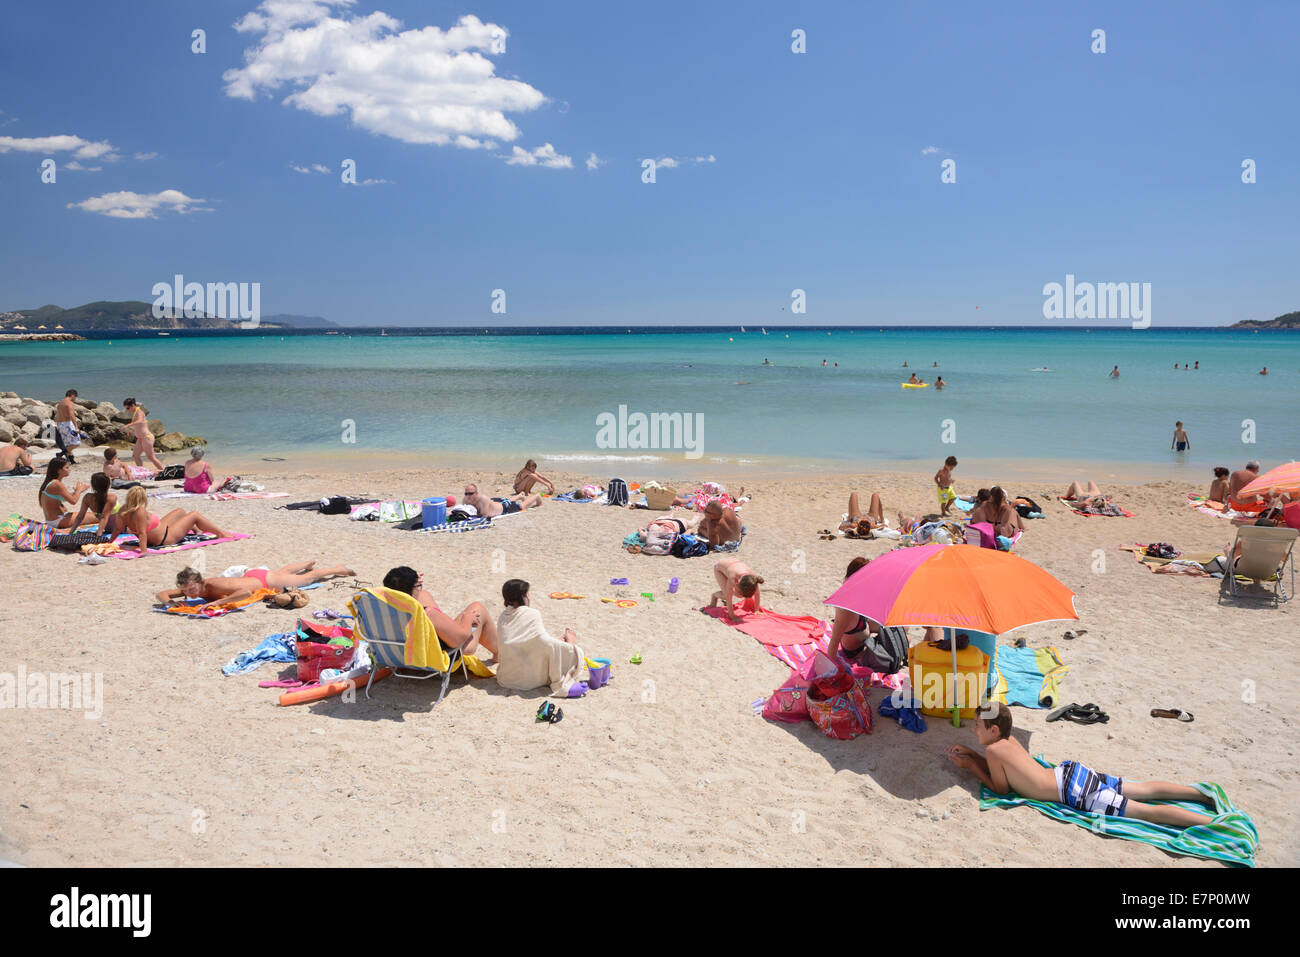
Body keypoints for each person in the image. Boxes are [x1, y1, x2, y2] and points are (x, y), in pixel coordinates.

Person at [946, 703, 1215, 827]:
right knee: (1142, 790)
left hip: (1074, 791)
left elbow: (1000, 788)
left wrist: (971, 766)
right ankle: (1200, 795)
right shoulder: (1008, 741)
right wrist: (971, 753)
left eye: (978, 726)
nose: (973, 729)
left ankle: (1211, 824)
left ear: (993, 731)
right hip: (1072, 773)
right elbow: (1004, 768)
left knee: (1146, 812)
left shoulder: (993, 751)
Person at [495, 579, 589, 695]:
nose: (530, 596)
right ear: (523, 596)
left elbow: (523, 642)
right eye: (528, 593)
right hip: (528, 681)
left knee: (553, 644)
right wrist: (569, 644)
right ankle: (570, 644)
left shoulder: (503, 616)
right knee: (574, 651)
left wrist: (557, 642)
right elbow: (542, 642)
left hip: (506, 678)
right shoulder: (532, 614)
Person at [381, 566, 499, 659]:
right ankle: (499, 653)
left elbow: (405, 590)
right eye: (418, 586)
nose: (419, 588)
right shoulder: (428, 614)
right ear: (412, 588)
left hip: (401, 655)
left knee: (423, 594)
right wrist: (468, 618)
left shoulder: (381, 608)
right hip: (443, 655)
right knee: (477, 607)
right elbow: (458, 640)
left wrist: (410, 581)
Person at [156, 561, 357, 613]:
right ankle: (304, 564)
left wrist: (219, 602)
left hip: (262, 582)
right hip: (251, 576)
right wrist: (172, 604)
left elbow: (245, 593)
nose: (189, 594)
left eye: (191, 590)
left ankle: (338, 569)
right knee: (283, 573)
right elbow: (162, 594)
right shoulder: (191, 588)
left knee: (307, 580)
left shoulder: (215, 584)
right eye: (185, 591)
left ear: (199, 582)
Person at [114, 486, 234, 554]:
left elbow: (118, 529)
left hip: (160, 531)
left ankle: (197, 531)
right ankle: (220, 533)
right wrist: (144, 552)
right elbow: (142, 533)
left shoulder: (123, 509)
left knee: (180, 511)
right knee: (194, 515)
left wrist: (109, 541)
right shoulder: (139, 511)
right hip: (165, 538)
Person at [826, 557, 888, 661]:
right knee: (901, 640)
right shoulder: (845, 606)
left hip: (862, 632)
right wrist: (830, 668)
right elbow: (835, 639)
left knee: (899, 628)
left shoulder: (857, 591)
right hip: (857, 651)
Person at [38, 456, 88, 528]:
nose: (69, 470)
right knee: (97, 517)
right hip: (58, 520)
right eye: (67, 468)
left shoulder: (51, 482)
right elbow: (73, 501)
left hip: (56, 519)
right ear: (59, 470)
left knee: (92, 515)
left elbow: (67, 497)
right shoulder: (56, 484)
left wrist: (76, 492)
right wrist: (78, 490)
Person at [123, 398, 164, 472]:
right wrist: (132, 431)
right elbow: (138, 425)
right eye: (126, 409)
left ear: (133, 405)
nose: (128, 410)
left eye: (128, 408)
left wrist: (128, 425)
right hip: (140, 438)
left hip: (146, 437)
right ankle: (142, 471)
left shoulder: (139, 412)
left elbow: (140, 421)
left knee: (151, 457)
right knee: (136, 456)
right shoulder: (135, 413)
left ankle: (162, 470)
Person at [462, 482, 540, 517]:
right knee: (506, 500)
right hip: (494, 502)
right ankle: (519, 496)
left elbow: (484, 516)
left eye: (470, 494)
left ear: (476, 493)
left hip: (504, 507)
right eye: (466, 494)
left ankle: (537, 496)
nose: (468, 496)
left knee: (522, 506)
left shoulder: (483, 499)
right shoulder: (465, 499)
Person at [53, 389, 82, 464]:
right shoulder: (69, 403)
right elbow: (72, 415)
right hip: (67, 424)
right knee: (76, 443)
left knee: (69, 444)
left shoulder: (60, 403)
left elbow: (58, 415)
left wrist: (58, 426)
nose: (75, 399)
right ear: (72, 395)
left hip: (60, 424)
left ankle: (72, 460)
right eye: (75, 397)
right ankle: (61, 453)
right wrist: (76, 427)